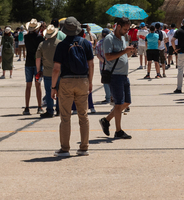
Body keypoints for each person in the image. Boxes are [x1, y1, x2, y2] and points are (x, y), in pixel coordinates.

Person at [51, 18, 95, 157]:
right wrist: (90, 81)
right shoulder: (86, 43)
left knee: (65, 116)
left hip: (66, 82)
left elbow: (56, 69)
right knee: (83, 115)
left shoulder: (61, 45)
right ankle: (84, 147)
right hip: (83, 80)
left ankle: (65, 148)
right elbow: (91, 64)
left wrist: (53, 86)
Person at [98, 21, 135, 141]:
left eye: (128, 29)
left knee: (127, 102)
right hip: (114, 75)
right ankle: (118, 131)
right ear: (118, 27)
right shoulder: (109, 38)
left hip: (124, 75)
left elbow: (123, 56)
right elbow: (108, 56)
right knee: (119, 104)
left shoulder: (123, 38)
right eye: (125, 29)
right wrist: (125, 51)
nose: (126, 31)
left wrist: (129, 52)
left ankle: (106, 120)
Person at [36, 24, 62, 118]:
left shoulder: (42, 45)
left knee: (48, 91)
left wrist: (38, 71)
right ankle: (59, 109)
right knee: (59, 91)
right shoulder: (60, 43)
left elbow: (38, 59)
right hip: (59, 71)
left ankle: (50, 111)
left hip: (47, 72)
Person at [22, 21, 43, 115]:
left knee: (28, 86)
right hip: (37, 63)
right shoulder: (39, 38)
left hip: (28, 63)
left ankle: (27, 107)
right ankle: (39, 107)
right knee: (38, 86)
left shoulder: (26, 37)